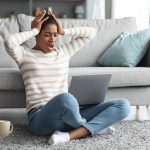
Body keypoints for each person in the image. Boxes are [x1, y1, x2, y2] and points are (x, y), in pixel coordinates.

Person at [5, 10, 131, 146]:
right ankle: (92, 127)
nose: (52, 39)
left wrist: (63, 31)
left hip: (70, 114)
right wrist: (34, 30)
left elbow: (91, 33)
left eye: (55, 35)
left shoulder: (63, 52)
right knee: (66, 98)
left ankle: (67, 136)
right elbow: (9, 42)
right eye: (46, 35)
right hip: (40, 118)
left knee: (123, 105)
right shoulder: (24, 54)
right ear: (37, 35)